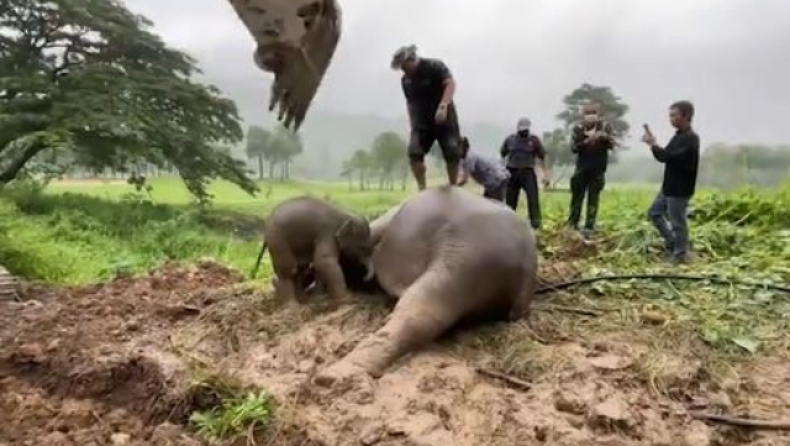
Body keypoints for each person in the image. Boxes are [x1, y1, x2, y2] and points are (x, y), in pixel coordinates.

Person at [391, 45, 461, 191]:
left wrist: (443, 106)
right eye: (401, 68)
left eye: (405, 66)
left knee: (452, 151)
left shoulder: (434, 66)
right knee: (414, 152)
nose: (404, 70)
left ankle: (454, 186)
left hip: (444, 118)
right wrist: (412, 123)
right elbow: (410, 102)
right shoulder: (406, 81)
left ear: (412, 60)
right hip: (422, 122)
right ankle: (422, 188)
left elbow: (450, 84)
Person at [641, 100, 700, 265]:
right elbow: (665, 155)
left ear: (686, 116)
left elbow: (667, 157)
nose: (671, 119)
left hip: (680, 189)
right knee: (654, 213)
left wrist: (652, 144)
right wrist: (653, 145)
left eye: (674, 115)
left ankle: (680, 254)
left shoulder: (691, 138)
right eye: (670, 116)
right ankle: (673, 242)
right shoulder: (679, 136)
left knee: (678, 222)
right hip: (668, 186)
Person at [567, 102, 615, 239]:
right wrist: (588, 140)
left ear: (598, 115)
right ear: (583, 115)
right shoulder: (578, 129)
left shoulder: (605, 127)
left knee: (593, 199)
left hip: (598, 169)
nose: (591, 116)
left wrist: (605, 138)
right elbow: (574, 148)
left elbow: (612, 144)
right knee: (577, 198)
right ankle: (573, 223)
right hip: (581, 169)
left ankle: (589, 226)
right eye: (588, 114)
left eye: (593, 113)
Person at [500, 118, 550, 230]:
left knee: (533, 199)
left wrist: (546, 174)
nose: (524, 132)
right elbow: (503, 155)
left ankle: (535, 224)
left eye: (526, 129)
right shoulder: (510, 139)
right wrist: (502, 171)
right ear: (518, 129)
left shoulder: (534, 140)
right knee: (510, 202)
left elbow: (542, 157)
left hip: (527, 172)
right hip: (512, 172)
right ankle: (508, 225)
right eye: (522, 129)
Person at [458, 136, 510, 202]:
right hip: (493, 181)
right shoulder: (465, 158)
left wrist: (452, 188)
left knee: (495, 206)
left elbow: (464, 180)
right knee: (488, 205)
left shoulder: (469, 157)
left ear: (464, 147)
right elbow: (460, 174)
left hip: (497, 180)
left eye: (457, 147)